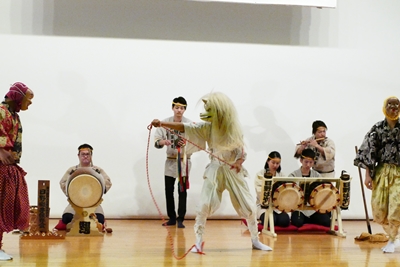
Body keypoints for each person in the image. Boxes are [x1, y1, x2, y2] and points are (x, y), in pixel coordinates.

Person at [151, 92, 272, 253]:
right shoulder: (207, 127)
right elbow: (186, 127)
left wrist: (238, 162)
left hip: (232, 170)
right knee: (204, 205)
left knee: (248, 206)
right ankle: (199, 241)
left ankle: (255, 240)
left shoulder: (233, 128)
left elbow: (241, 150)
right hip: (215, 168)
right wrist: (162, 124)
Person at [354, 96, 400, 253]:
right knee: (379, 210)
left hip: (399, 173)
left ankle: (393, 240)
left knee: (396, 207)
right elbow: (368, 152)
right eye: (390, 104)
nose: (393, 107)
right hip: (381, 173)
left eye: (396, 105)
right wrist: (368, 175)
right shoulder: (377, 129)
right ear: (384, 107)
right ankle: (393, 236)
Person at [0, 82, 34, 261]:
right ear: (18, 98)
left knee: (11, 205)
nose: (30, 103)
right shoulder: (1, 111)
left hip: (8, 168)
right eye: (28, 99)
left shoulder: (13, 115)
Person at [154, 96, 193, 229]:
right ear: (172, 108)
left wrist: (186, 143)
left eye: (182, 108)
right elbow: (157, 140)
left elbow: (196, 141)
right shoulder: (165, 123)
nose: (179, 110)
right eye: (177, 107)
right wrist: (163, 142)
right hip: (170, 161)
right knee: (168, 190)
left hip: (183, 161)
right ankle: (171, 217)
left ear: (185, 110)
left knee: (182, 190)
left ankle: (181, 218)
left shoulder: (189, 125)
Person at [54, 144, 112, 232]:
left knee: (99, 219)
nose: (85, 156)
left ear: (91, 156)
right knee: (67, 217)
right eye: (83, 154)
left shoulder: (97, 170)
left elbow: (107, 182)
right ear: (78, 156)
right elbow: (63, 182)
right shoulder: (72, 170)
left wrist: (98, 191)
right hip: (76, 203)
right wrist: (71, 193)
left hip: (93, 203)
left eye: (87, 154)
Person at [289, 149, 331, 228]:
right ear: (301, 160)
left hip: (312, 208)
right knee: (297, 222)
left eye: (311, 162)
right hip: (299, 208)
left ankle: (308, 219)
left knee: (326, 221)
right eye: (306, 162)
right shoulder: (293, 175)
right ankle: (305, 219)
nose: (308, 165)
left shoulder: (317, 175)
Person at [254, 151, 290, 227]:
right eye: (273, 162)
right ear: (268, 161)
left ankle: (276, 217)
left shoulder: (282, 175)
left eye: (277, 163)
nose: (275, 165)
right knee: (270, 221)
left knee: (285, 221)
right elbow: (260, 192)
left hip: (278, 206)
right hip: (264, 206)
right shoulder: (260, 175)